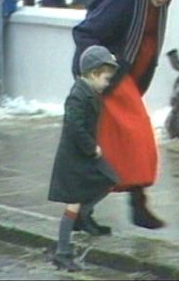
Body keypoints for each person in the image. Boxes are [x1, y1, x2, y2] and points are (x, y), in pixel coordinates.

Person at [71, 0, 179, 229]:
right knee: (136, 138)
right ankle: (135, 206)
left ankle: (85, 213)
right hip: (108, 75)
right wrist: (100, 69)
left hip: (127, 78)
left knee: (112, 145)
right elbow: (85, 32)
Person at [48, 45, 120, 272]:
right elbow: (74, 126)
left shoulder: (89, 92)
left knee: (109, 179)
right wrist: (92, 148)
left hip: (83, 155)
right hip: (75, 158)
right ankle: (62, 252)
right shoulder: (78, 95)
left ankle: (84, 217)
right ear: (94, 73)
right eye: (106, 78)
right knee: (74, 201)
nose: (108, 84)